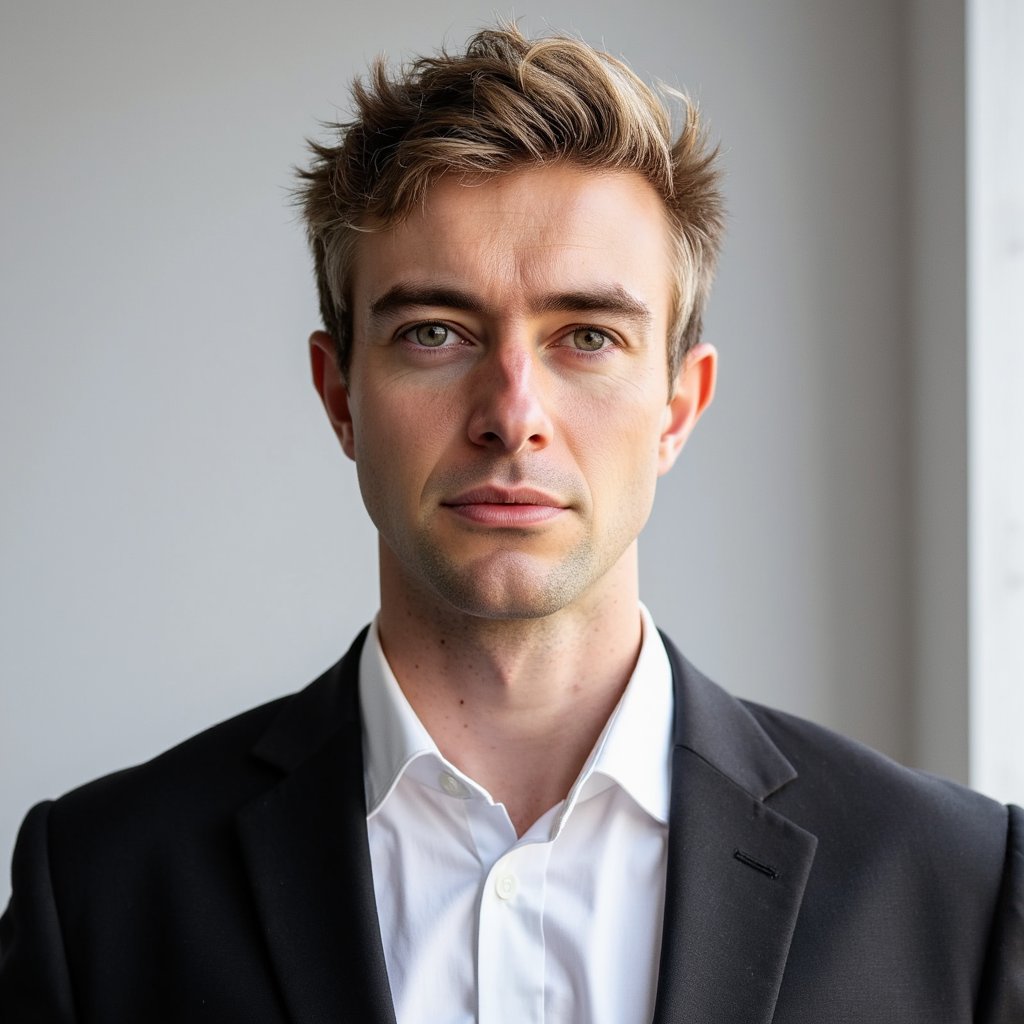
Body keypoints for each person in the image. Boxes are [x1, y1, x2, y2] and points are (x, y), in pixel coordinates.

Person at [0, 22, 1021, 1024]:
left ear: (677, 407)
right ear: (339, 394)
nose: (512, 415)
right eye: (435, 332)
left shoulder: (958, 891)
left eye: (586, 335)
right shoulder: (100, 887)